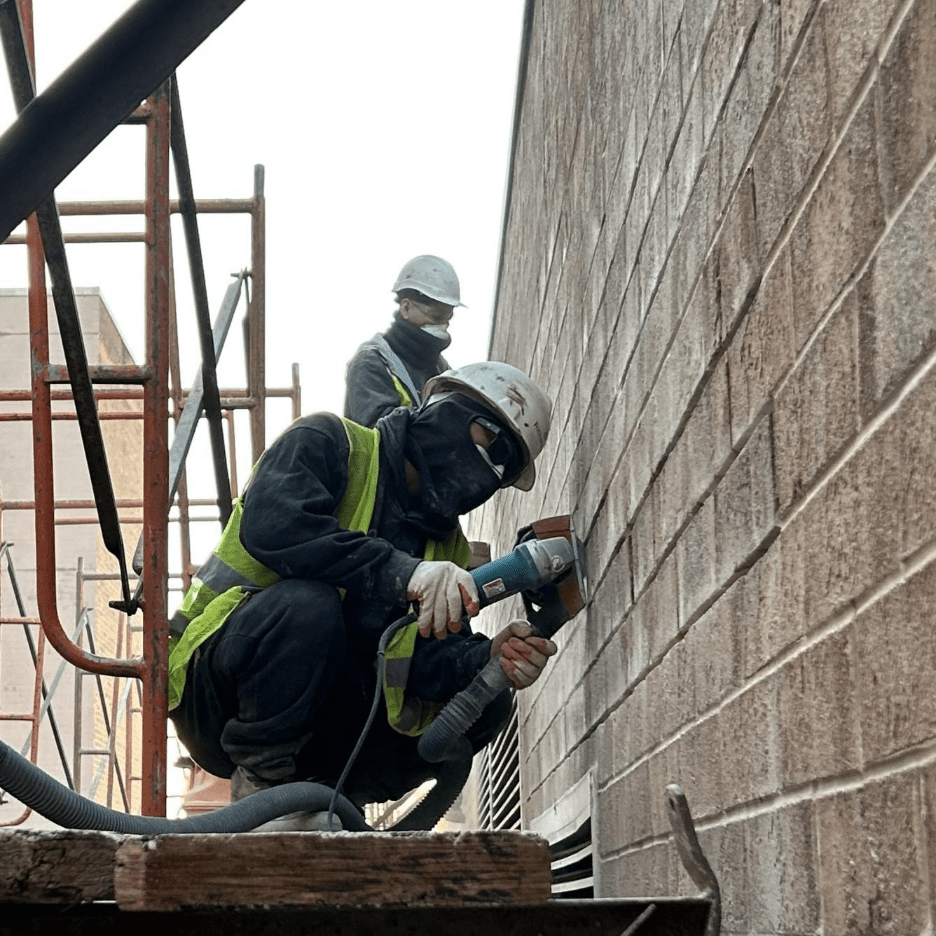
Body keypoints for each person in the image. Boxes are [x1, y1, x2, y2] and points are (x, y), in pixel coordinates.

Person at [167, 361, 556, 829]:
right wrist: (403, 573)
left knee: (485, 701)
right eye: (493, 443)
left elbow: (425, 660)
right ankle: (265, 801)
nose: (490, 471)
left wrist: (488, 660)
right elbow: (275, 527)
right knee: (310, 606)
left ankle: (328, 807)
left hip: (325, 731)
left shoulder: (446, 543)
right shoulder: (329, 442)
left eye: (507, 467)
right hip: (216, 689)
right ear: (446, 410)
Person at [344, 255, 464, 427]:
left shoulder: (439, 368)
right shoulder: (371, 363)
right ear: (406, 308)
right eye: (437, 316)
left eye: (448, 318)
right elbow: (384, 436)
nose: (443, 326)